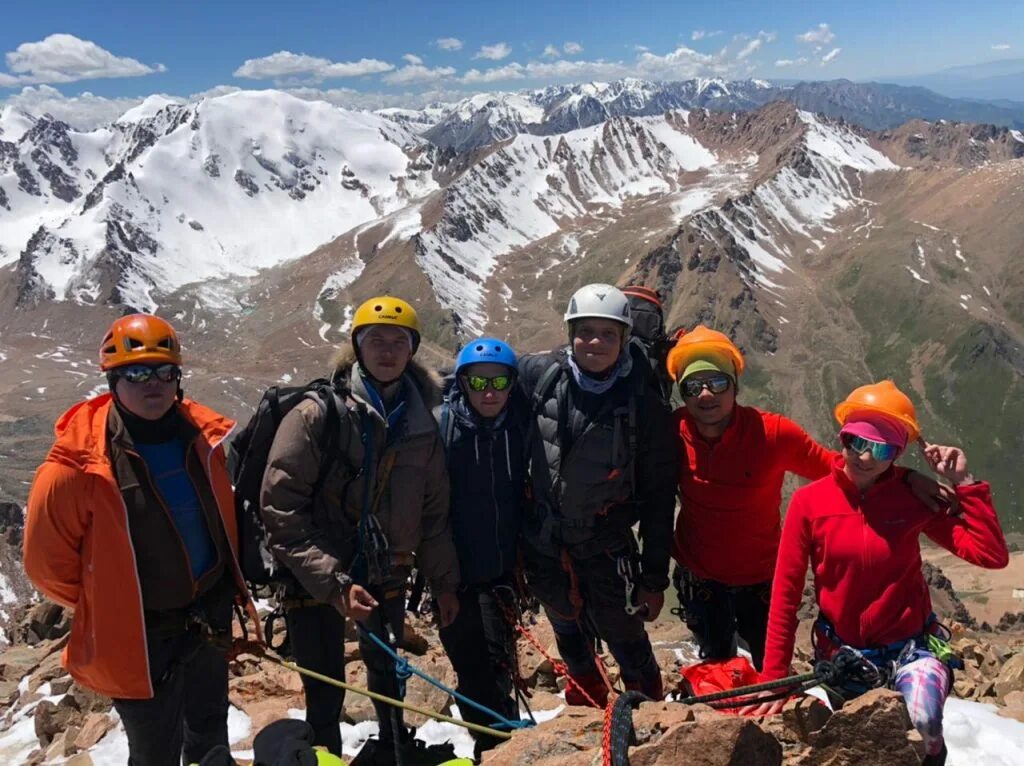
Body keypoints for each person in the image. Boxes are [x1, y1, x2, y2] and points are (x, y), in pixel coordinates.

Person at [23, 313, 254, 766]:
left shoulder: (203, 439)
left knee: (210, 735)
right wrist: (108, 599)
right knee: (153, 752)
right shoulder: (76, 466)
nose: (154, 384)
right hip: (138, 633)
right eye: (136, 373)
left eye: (164, 372)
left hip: (206, 612)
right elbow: (45, 566)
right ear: (112, 380)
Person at [751, 380, 1009, 765]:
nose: (866, 457)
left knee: (923, 719)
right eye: (856, 441)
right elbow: (786, 594)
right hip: (846, 657)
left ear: (898, 453)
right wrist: (773, 679)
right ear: (842, 436)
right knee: (863, 747)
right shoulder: (809, 503)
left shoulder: (912, 497)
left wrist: (965, 484)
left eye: (882, 448)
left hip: (913, 649)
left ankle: (934, 754)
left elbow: (989, 555)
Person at [666, 327, 948, 670]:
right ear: (681, 392)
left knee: (766, 666)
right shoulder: (670, 433)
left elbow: (838, 466)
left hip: (760, 580)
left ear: (735, 384)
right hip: (701, 577)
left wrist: (905, 477)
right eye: (692, 386)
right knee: (717, 663)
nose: (706, 394)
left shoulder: (773, 434)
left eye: (718, 382)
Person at [259, 296, 460, 763]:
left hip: (386, 567)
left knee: (388, 674)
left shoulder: (422, 426)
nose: (387, 351)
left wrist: (445, 583)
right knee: (324, 680)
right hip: (314, 574)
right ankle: (323, 754)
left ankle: (393, 752)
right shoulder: (315, 415)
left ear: (412, 350)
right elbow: (280, 507)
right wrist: (334, 583)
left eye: (398, 341)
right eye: (376, 341)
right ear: (357, 347)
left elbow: (433, 515)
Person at [518, 284, 677, 707]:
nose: (595, 343)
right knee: (568, 632)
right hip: (547, 545)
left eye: (608, 334)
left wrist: (654, 579)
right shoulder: (541, 376)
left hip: (607, 547)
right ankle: (586, 714)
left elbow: (660, 499)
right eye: (586, 331)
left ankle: (648, 718)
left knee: (625, 639)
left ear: (624, 339)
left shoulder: (643, 405)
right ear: (570, 333)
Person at [435, 337, 526, 756]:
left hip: (503, 573)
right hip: (455, 576)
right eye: (478, 382)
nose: (489, 391)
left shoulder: (519, 426)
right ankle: (493, 748)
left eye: (499, 381)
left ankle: (494, 747)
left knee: (497, 665)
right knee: (476, 670)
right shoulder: (441, 428)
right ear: (462, 383)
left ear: (512, 384)